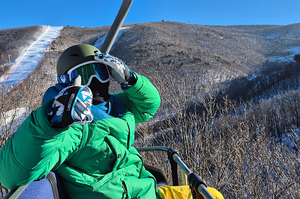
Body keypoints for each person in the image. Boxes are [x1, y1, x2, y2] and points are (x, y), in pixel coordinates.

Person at [0, 44, 223, 199]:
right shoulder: (69, 126)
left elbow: (150, 105)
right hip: (117, 195)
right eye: (86, 74)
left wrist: (130, 80)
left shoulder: (116, 106)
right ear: (68, 81)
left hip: (146, 190)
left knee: (212, 195)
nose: (97, 81)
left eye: (102, 71)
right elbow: (10, 174)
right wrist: (52, 122)